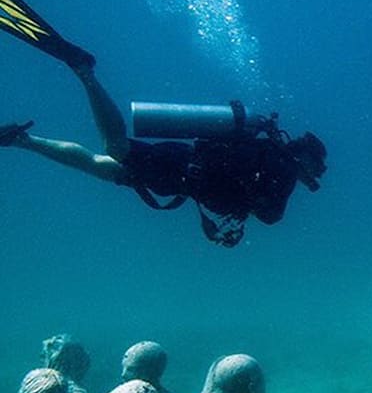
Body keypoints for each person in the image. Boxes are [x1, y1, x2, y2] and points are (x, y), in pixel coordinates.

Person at [1, 38, 327, 246]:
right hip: (177, 170)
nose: (313, 175)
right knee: (116, 148)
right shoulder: (283, 170)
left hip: (181, 170)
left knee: (102, 166)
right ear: (306, 159)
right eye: (315, 167)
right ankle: (84, 71)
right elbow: (271, 217)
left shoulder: (267, 153)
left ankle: (22, 140)